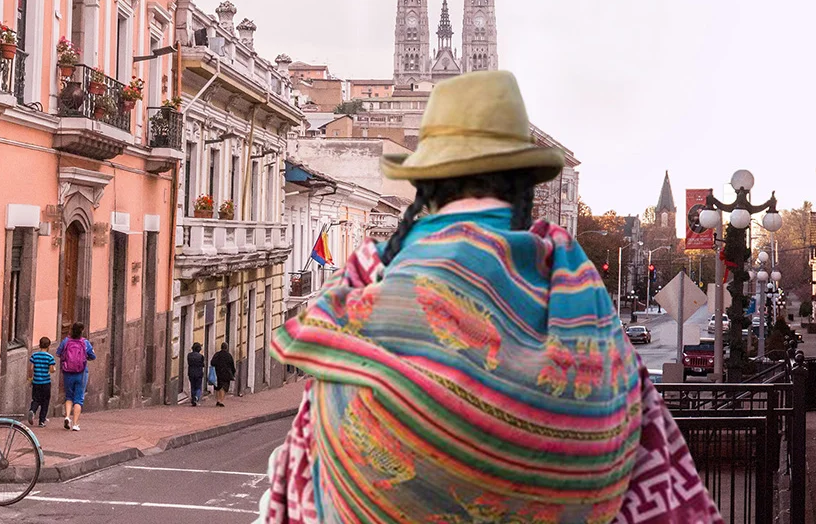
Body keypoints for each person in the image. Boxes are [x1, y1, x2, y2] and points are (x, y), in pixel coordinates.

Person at [259, 71, 722, 523]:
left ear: (428, 185)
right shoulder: (580, 302)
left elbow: (303, 472)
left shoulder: (366, 284)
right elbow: (663, 483)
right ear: (522, 186)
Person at [57, 322, 95, 430]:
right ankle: (75, 424)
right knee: (78, 399)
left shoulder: (66, 341)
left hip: (67, 372)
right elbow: (92, 356)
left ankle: (67, 416)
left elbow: (59, 353)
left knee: (69, 396)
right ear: (81, 331)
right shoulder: (85, 342)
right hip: (81, 373)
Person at [27, 337, 57, 427]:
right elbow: (51, 370)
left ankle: (32, 410)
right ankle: (42, 421)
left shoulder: (34, 356)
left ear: (39, 345)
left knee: (36, 399)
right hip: (46, 382)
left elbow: (31, 368)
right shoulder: (50, 357)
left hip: (36, 381)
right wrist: (53, 369)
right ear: (48, 346)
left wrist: (30, 379)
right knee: (45, 401)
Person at [210, 341, 236, 408]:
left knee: (217, 387)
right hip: (226, 374)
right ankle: (221, 401)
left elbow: (212, 362)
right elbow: (232, 365)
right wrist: (233, 373)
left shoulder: (217, 354)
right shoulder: (229, 356)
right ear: (226, 348)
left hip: (217, 372)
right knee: (224, 387)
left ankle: (218, 400)